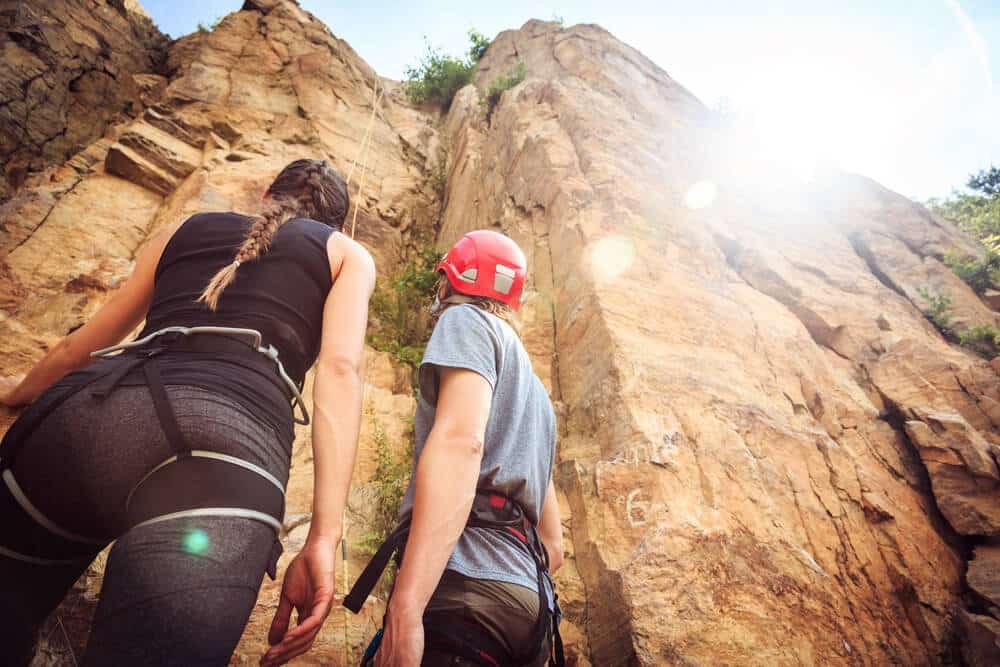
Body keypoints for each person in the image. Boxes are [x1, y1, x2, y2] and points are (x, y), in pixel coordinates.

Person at [0, 158, 375, 666]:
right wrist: (323, 538)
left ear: (266, 197)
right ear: (333, 223)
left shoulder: (187, 228)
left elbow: (80, 349)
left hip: (88, 417)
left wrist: (17, 394)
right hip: (223, 455)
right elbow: (339, 374)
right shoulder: (345, 254)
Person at [345, 230, 565, 667]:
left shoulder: (465, 322)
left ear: (450, 281)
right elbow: (553, 546)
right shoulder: (536, 397)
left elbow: (462, 443)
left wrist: (406, 606)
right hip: (529, 608)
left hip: (466, 590)